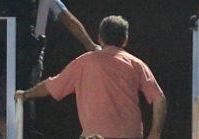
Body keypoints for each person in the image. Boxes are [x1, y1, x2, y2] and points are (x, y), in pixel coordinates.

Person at [17, 15, 164, 139]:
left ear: (100, 38)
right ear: (125, 40)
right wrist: (155, 134)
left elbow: (51, 86)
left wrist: (25, 94)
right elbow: (159, 99)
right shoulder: (137, 65)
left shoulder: (84, 62)